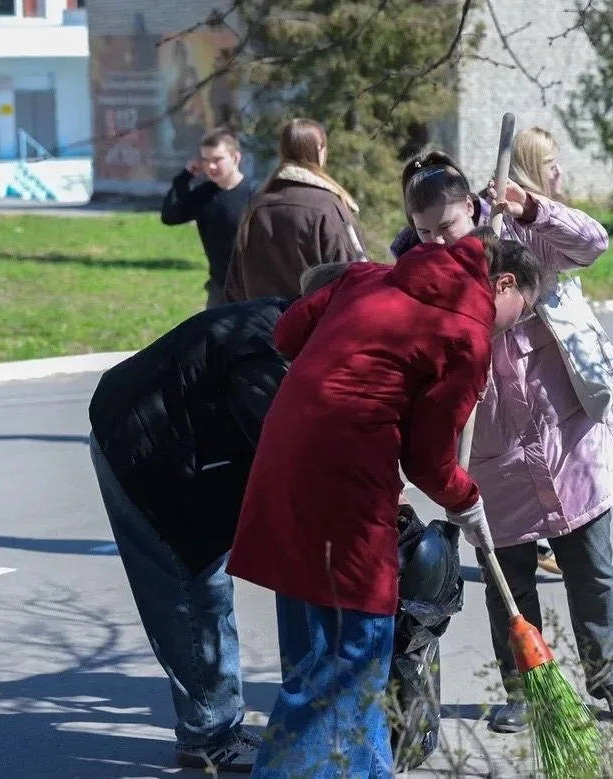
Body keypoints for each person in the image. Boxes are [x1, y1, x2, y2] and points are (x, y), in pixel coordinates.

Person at [227, 228, 546, 778]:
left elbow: (287, 333)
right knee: (349, 657)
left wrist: (354, 365)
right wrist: (467, 501)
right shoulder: (466, 337)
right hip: (344, 480)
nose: (515, 326)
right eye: (522, 311)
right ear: (504, 284)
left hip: (285, 454)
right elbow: (429, 462)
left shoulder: (365, 278)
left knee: (331, 647)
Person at [391, 146, 613, 735]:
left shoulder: (519, 233)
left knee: (592, 568)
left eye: (447, 226)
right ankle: (524, 690)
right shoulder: (415, 275)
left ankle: (606, 675)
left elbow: (593, 244)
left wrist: (533, 208)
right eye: (423, 231)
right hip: (493, 452)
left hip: (566, 437)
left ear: (469, 206)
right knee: (506, 580)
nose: (437, 241)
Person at [87, 295, 293, 773]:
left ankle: (212, 727)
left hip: (168, 433)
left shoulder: (281, 326)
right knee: (194, 589)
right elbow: (280, 453)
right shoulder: (263, 351)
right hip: (141, 446)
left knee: (203, 582)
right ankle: (209, 735)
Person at [222, 118, 367, 304]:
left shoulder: (256, 207)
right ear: (320, 150)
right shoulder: (327, 207)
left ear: (282, 151)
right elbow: (356, 278)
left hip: (263, 320)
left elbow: (234, 288)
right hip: (314, 321)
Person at [160, 126, 254, 309]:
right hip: (219, 289)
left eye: (217, 160)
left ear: (235, 158)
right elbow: (169, 216)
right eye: (205, 160)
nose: (211, 166)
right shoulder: (203, 196)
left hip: (254, 289)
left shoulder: (256, 194)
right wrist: (184, 178)